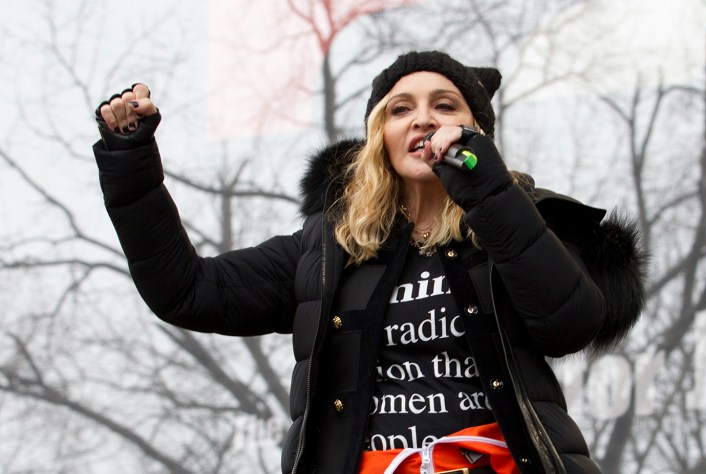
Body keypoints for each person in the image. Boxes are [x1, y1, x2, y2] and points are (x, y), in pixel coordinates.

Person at [93, 51, 646, 474]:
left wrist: (485, 187)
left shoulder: (529, 221)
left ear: (477, 130)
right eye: (401, 109)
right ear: (378, 137)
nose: (423, 119)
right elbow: (186, 290)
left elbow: (568, 322)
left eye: (445, 105)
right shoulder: (330, 249)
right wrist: (130, 159)